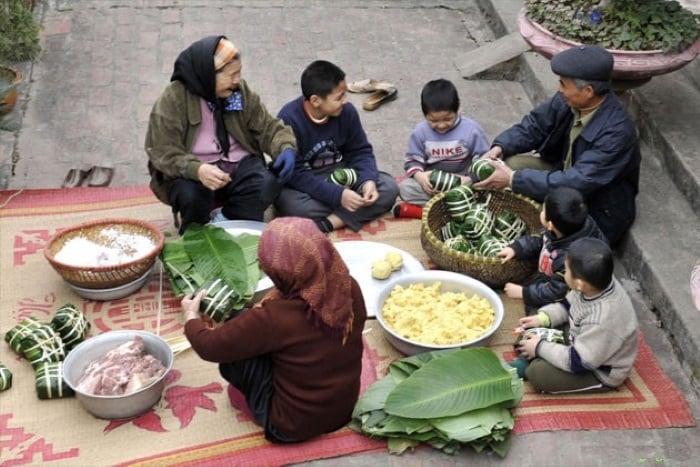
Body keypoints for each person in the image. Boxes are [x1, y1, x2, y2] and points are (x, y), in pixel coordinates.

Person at [181, 217, 367, 442]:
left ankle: (250, 402)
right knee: (251, 329)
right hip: (343, 410)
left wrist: (190, 316)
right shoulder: (349, 286)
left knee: (236, 336)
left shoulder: (274, 318)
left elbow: (209, 346)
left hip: (288, 425)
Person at [474, 45, 641, 248]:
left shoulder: (617, 133)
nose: (558, 89)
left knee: (548, 234)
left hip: (595, 206)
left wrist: (513, 179)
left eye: (563, 84)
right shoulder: (569, 100)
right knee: (510, 162)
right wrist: (500, 146)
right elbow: (534, 126)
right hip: (561, 173)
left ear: (588, 91)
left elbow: (577, 181)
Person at [145, 35, 297, 234]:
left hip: (238, 163)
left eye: (239, 73)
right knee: (191, 196)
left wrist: (285, 147)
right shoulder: (173, 99)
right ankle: (197, 232)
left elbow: (268, 127)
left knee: (266, 184)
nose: (237, 80)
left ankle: (228, 218)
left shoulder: (240, 92)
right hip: (194, 169)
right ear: (209, 74)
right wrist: (196, 169)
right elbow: (161, 150)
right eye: (231, 75)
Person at [276, 60, 399, 233]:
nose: (345, 100)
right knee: (291, 205)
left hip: (344, 174)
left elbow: (361, 151)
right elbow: (296, 174)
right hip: (310, 180)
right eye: (339, 97)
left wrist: (367, 181)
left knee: (389, 187)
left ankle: (329, 223)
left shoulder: (347, 112)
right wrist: (337, 196)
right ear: (316, 100)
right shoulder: (289, 119)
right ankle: (351, 211)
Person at [514, 237, 639, 393]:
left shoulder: (603, 318)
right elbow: (568, 305)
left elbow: (580, 361)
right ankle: (538, 352)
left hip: (595, 368)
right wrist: (543, 318)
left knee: (537, 374)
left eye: (566, 270)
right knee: (530, 329)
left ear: (579, 284)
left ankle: (534, 358)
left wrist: (540, 347)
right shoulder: (595, 282)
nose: (563, 272)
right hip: (581, 338)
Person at [497, 186, 607, 315]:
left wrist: (524, 293)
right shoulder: (569, 227)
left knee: (538, 310)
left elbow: (556, 291)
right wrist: (517, 248)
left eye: (543, 210)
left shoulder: (568, 259)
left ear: (550, 225)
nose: (541, 211)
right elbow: (541, 241)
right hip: (551, 275)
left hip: (565, 297)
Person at [395, 78, 490, 218]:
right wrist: (420, 177)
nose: (441, 125)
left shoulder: (471, 130)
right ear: (425, 114)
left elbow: (484, 161)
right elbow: (412, 161)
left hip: (463, 183)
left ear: (457, 109)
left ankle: (433, 212)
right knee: (405, 188)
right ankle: (453, 210)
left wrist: (469, 179)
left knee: (488, 189)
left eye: (448, 119)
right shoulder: (420, 132)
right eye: (433, 121)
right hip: (435, 186)